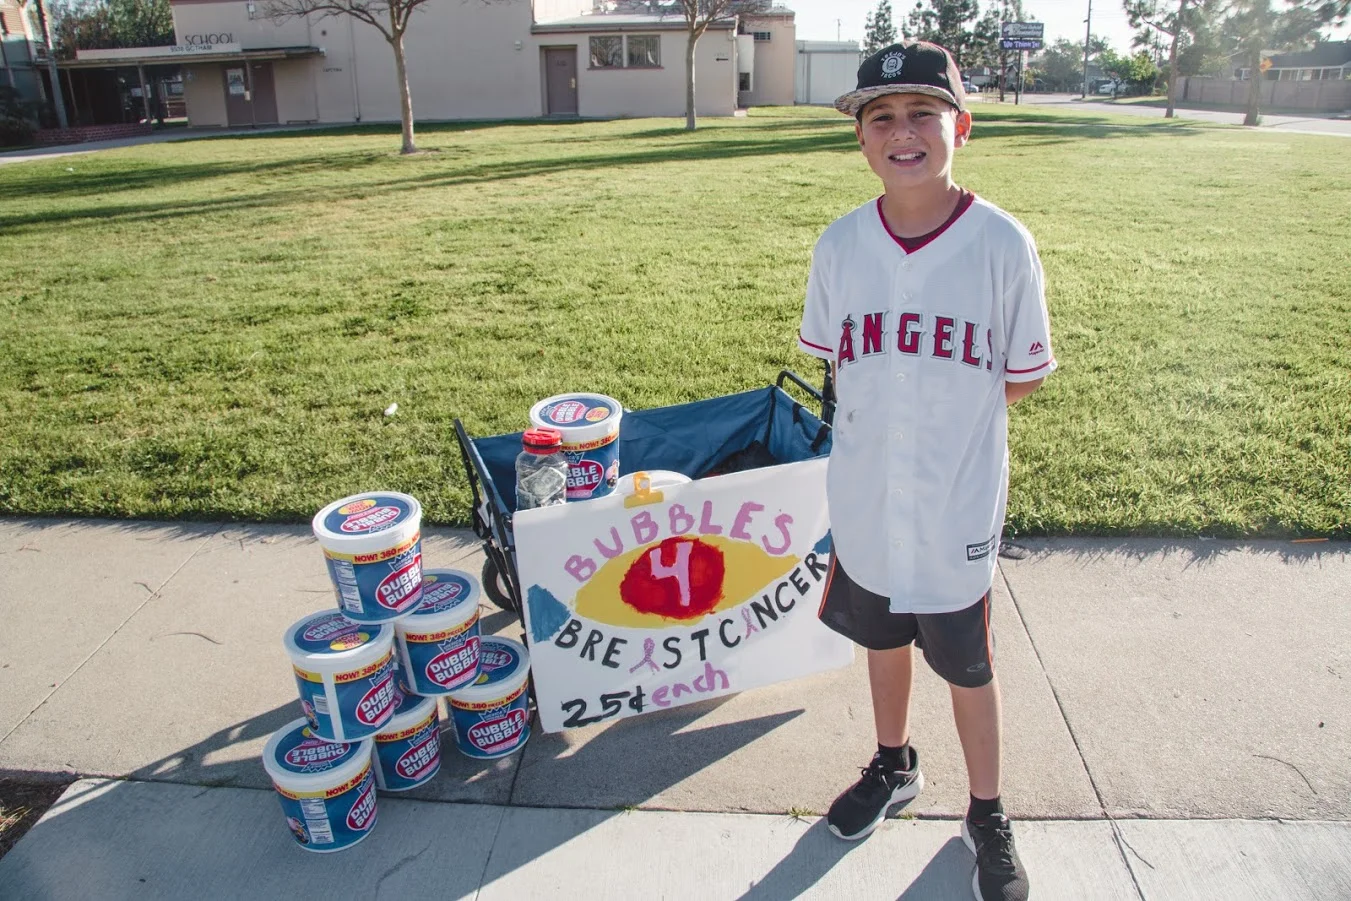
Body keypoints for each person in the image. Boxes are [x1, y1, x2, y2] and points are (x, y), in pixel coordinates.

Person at [796, 41, 1056, 901]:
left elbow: (1016, 379)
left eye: (922, 113)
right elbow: (838, 366)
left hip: (954, 507)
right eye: (880, 117)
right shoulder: (838, 246)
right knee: (882, 641)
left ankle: (986, 809)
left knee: (967, 666)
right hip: (867, 501)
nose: (901, 131)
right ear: (860, 140)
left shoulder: (1001, 244)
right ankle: (892, 763)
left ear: (961, 127)